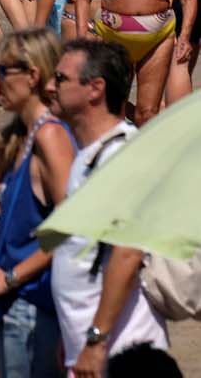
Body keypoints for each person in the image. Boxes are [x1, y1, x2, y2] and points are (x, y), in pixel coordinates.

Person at [0, 30, 75, 378]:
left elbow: (71, 226)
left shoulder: (50, 136)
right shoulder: (20, 139)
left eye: (3, 71)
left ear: (33, 75)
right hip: (16, 301)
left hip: (34, 302)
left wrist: (10, 278)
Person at [47, 39, 167, 375]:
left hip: (124, 352)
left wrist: (97, 339)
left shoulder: (121, 155)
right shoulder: (89, 156)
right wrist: (69, 338)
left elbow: (127, 252)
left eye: (60, 79)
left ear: (95, 89)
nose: (49, 87)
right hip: (88, 345)